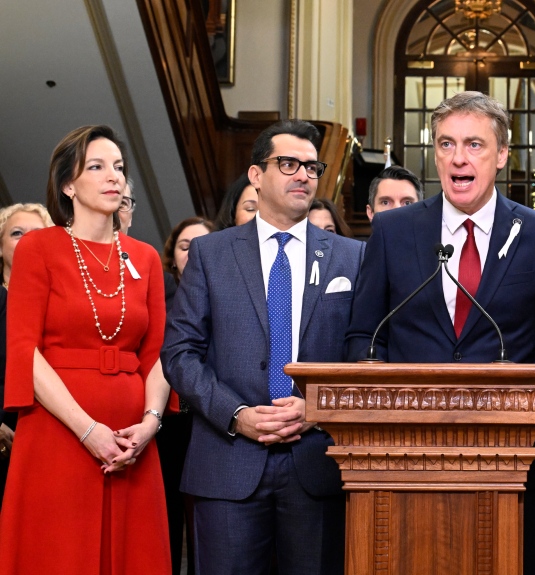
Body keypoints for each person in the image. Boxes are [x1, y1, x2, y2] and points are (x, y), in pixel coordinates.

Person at [345, 91, 535, 575]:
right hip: (401, 458)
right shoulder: (394, 232)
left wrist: (523, 399)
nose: (458, 158)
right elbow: (363, 335)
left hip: (509, 459)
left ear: (501, 155)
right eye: (446, 144)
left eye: (474, 145)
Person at [163, 120, 365, 574]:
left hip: (317, 462)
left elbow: (365, 354)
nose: (302, 175)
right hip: (227, 462)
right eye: (289, 163)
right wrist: (236, 415)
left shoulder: (350, 257)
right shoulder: (211, 254)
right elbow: (179, 353)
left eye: (312, 167)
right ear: (256, 175)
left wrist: (315, 409)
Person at [0, 125, 172, 573]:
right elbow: (24, 350)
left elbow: (157, 355)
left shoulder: (146, 257)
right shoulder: (39, 248)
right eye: (96, 167)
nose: (113, 176)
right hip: (58, 432)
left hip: (132, 439)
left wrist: (150, 424)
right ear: (68, 186)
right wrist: (87, 430)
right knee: (57, 554)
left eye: (118, 167)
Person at [159, 216, 215, 575]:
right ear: (173, 255)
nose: (193, 253)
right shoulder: (158, 292)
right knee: (164, 518)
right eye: (184, 246)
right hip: (164, 422)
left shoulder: (226, 291)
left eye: (201, 246)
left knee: (203, 524)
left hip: (208, 419)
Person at [0, 203, 54, 512]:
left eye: (37, 234)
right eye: (17, 233)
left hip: (55, 434)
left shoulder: (66, 305)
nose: (28, 241)